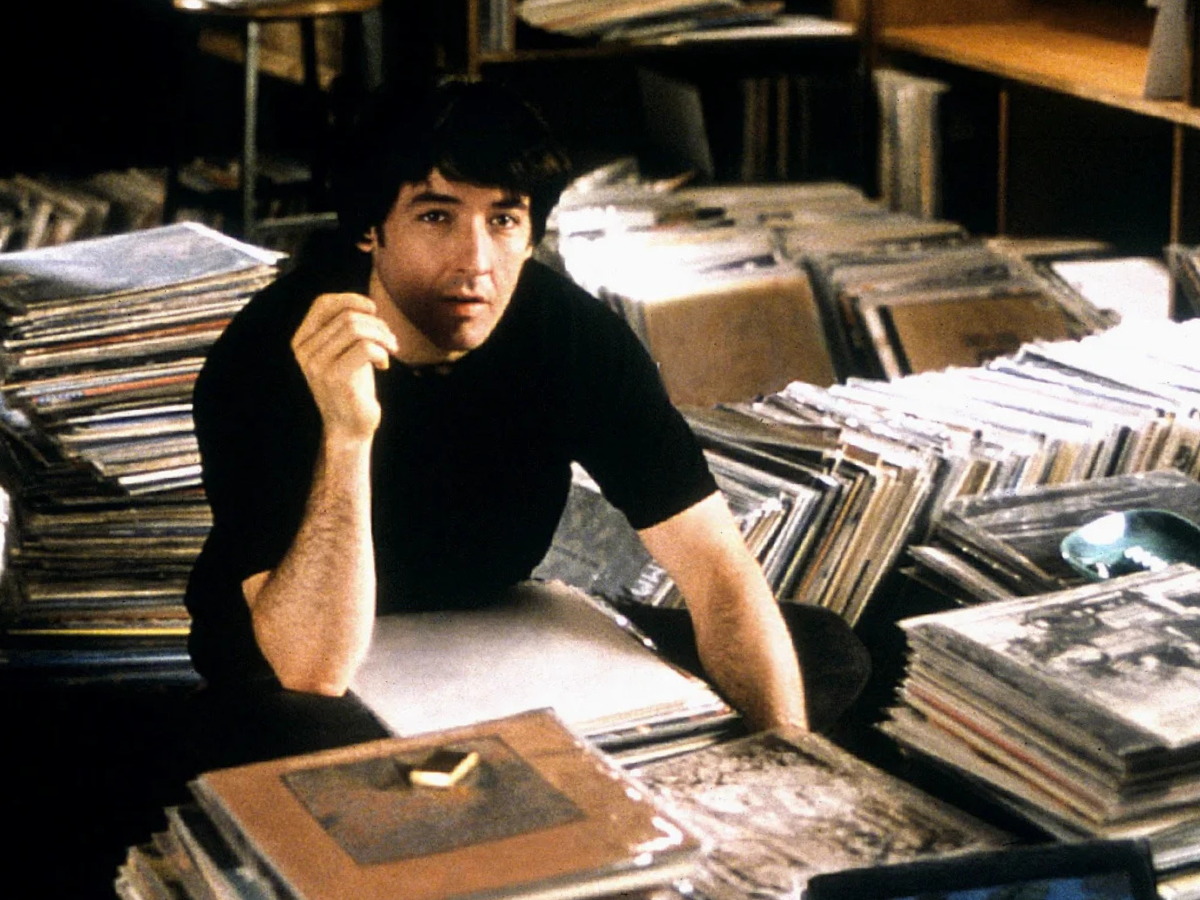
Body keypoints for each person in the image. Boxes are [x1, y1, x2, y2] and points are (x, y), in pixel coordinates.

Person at [183, 77, 807, 768]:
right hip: (296, 668)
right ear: (369, 230)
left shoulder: (571, 333)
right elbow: (312, 665)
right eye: (436, 217)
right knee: (310, 739)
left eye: (504, 220)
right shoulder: (272, 354)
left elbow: (718, 570)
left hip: (491, 639)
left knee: (816, 651)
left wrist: (790, 766)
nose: (476, 263)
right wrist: (348, 435)